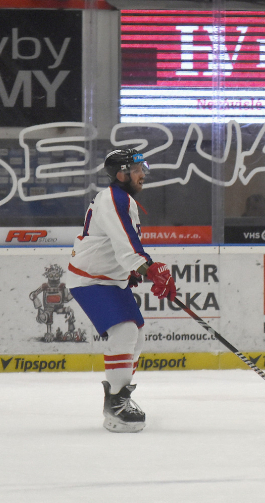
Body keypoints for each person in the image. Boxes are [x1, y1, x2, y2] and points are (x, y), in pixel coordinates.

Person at [67, 148, 177, 433]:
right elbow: (126, 245)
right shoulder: (115, 199)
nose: (144, 175)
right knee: (125, 331)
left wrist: (130, 270)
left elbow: (115, 246)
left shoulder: (121, 199)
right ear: (122, 174)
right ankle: (116, 404)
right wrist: (149, 268)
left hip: (108, 278)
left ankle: (120, 397)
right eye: (138, 170)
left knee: (136, 334)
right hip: (90, 278)